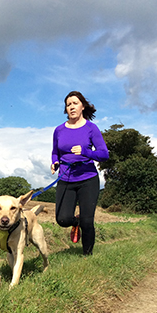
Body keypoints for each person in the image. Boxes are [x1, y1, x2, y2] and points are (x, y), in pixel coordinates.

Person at [51, 91, 109, 255]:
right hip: (66, 178)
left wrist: (86, 152)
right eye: (68, 104)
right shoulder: (59, 130)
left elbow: (104, 154)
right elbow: (55, 152)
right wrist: (55, 162)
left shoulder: (91, 128)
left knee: (87, 221)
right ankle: (75, 222)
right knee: (62, 220)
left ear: (82, 106)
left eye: (75, 103)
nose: (71, 107)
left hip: (88, 179)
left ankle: (87, 256)